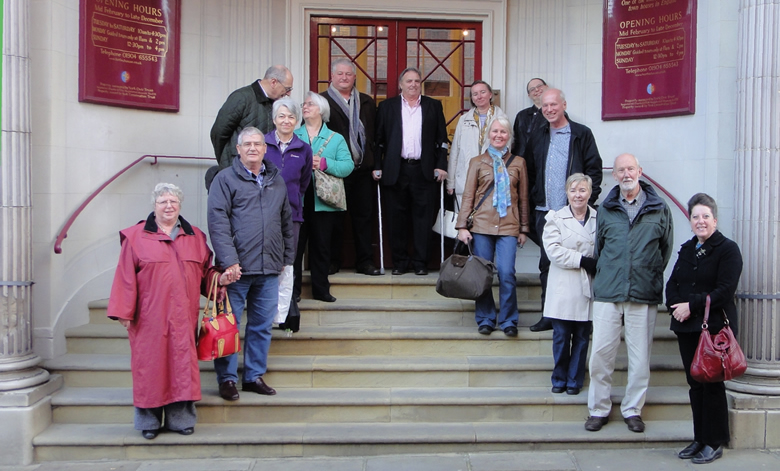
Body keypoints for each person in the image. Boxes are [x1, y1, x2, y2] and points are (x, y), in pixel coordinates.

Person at [107, 183, 235, 439]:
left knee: (181, 367)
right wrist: (124, 311)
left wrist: (219, 280)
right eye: (163, 201)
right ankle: (149, 423)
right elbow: (125, 276)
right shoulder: (136, 237)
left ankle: (181, 420)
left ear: (180, 205)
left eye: (173, 202)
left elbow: (206, 273)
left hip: (183, 317)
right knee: (149, 368)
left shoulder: (195, 237)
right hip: (147, 318)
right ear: (154, 206)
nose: (168, 206)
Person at [585, 153, 673, 433]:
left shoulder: (660, 208)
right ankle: (598, 409)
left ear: (640, 171)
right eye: (621, 169)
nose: (626, 174)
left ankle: (632, 409)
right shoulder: (606, 209)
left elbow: (665, 250)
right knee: (600, 355)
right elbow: (599, 248)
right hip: (608, 292)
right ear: (615, 175)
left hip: (643, 292)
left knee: (639, 358)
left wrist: (647, 272)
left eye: (630, 168)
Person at [208, 127, 295, 401]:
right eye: (247, 144)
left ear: (265, 149)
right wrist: (229, 261)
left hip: (269, 268)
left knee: (261, 325)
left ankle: (253, 376)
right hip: (237, 270)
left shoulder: (276, 181)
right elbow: (218, 223)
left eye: (257, 144)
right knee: (228, 326)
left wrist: (286, 259)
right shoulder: (225, 179)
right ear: (238, 148)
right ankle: (227, 379)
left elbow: (285, 223)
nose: (253, 148)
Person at [666, 193, 742, 464]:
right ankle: (700, 438)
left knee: (712, 385)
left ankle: (715, 440)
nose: (700, 221)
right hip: (687, 328)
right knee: (694, 384)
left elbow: (724, 291)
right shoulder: (687, 249)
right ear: (690, 220)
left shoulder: (728, 249)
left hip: (714, 329)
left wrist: (691, 305)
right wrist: (676, 305)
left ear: (715, 219)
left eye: (705, 216)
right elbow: (672, 284)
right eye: (695, 216)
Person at [524, 88, 603, 332]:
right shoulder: (538, 133)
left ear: (564, 105)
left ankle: (584, 317)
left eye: (553, 105)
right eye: (544, 106)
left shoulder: (581, 134)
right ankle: (549, 314)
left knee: (582, 264)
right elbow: (529, 170)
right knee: (548, 265)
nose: (548, 109)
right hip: (545, 212)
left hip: (575, 212)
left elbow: (594, 172)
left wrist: (584, 204)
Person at [455, 117, 530, 337]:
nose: (499, 135)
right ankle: (486, 318)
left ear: (509, 136)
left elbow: (523, 198)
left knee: (507, 273)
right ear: (489, 135)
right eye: (495, 131)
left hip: (509, 225)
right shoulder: (477, 161)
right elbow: (468, 195)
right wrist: (462, 226)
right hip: (481, 226)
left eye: (503, 132)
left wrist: (524, 228)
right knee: (483, 274)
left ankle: (508, 320)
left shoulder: (519, 162)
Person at [374, 67, 449, 276]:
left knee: (423, 219)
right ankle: (399, 262)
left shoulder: (433, 106)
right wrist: (377, 167)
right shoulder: (387, 107)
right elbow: (378, 141)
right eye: (409, 81)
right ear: (401, 84)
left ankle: (420, 262)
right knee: (396, 219)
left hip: (423, 171)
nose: (413, 84)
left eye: (417, 81)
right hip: (395, 170)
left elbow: (442, 140)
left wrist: (441, 164)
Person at [322, 59, 381, 276]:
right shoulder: (322, 101)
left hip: (363, 170)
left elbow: (374, 134)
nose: (344, 78)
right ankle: (332, 261)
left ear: (355, 77)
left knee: (364, 218)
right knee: (334, 218)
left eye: (348, 74)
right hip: (334, 171)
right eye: (340, 74)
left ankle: (365, 262)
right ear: (332, 76)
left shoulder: (366, 102)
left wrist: (376, 162)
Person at [294, 91, 354, 302]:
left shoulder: (335, 139)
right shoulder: (294, 135)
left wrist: (324, 164)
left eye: (310, 104)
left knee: (321, 247)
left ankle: (321, 290)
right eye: (304, 104)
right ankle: (293, 292)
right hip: (297, 200)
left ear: (321, 110)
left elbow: (348, 166)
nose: (305, 107)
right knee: (295, 248)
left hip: (324, 201)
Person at [542, 173, 597, 396]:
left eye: (582, 190)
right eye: (573, 190)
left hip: (587, 287)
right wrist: (582, 260)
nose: (578, 195)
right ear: (566, 193)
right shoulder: (555, 218)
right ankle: (559, 377)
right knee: (562, 337)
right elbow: (554, 251)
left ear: (590, 193)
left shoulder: (598, 218)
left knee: (583, 338)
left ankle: (575, 380)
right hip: (563, 287)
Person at [210, 65, 294, 169]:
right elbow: (218, 133)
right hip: (237, 170)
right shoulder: (241, 98)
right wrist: (227, 163)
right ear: (273, 82)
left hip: (262, 171)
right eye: (287, 88)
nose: (289, 93)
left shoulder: (277, 103)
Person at [263, 97, 313, 250]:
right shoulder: (261, 144)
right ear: (274, 119)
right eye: (282, 116)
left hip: (292, 212)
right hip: (263, 211)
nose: (286, 121)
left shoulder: (304, 149)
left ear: (297, 120)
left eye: (291, 117)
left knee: (288, 259)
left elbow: (304, 182)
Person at [447, 80, 507, 206]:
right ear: (472, 98)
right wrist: (451, 182)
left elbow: (507, 152)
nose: (479, 96)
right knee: (465, 222)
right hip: (465, 180)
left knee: (488, 222)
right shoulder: (464, 120)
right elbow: (455, 153)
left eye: (483, 92)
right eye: (475, 94)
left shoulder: (502, 119)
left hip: (492, 181)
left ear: (490, 94)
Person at [511, 77, 548, 158]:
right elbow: (515, 141)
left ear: (547, 87)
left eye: (539, 86)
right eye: (532, 89)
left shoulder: (555, 113)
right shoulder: (521, 116)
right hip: (523, 162)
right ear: (529, 95)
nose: (537, 90)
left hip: (547, 162)